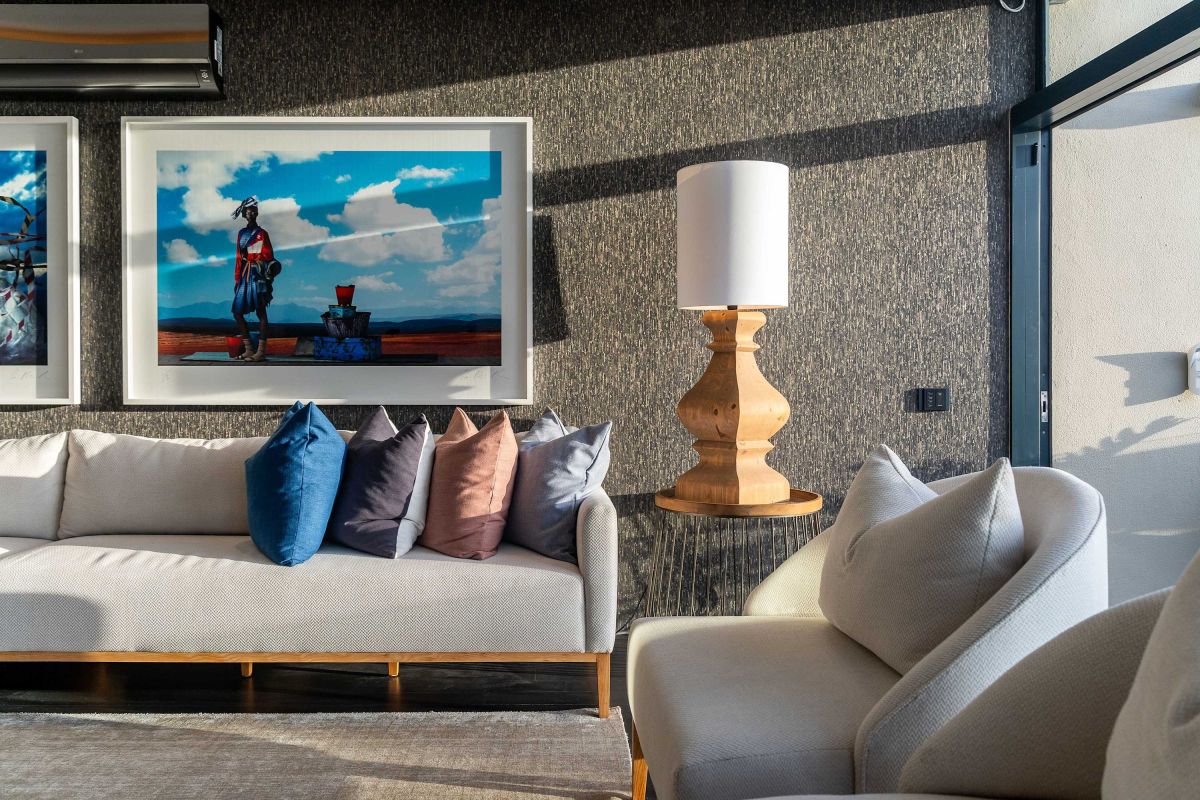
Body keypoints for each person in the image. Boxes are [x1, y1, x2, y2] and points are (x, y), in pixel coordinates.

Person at [230, 196, 276, 362]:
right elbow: (238, 257)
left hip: (258, 275)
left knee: (260, 311)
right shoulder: (241, 233)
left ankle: (261, 352)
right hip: (244, 275)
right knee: (237, 312)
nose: (250, 213)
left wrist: (255, 258)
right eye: (248, 211)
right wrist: (237, 279)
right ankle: (249, 349)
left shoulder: (262, 234)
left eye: (253, 210)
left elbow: (269, 255)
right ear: (244, 214)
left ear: (257, 213)